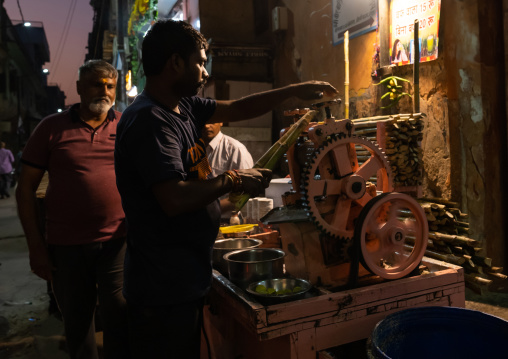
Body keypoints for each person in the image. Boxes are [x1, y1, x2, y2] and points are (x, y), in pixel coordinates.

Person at [114, 19, 338, 358]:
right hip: (161, 287)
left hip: (184, 275)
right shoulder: (150, 121)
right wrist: (231, 179)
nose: (205, 72)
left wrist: (296, 89)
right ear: (175, 63)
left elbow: (237, 108)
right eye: (200, 61)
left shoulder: (183, 106)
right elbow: (173, 198)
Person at [16, 60, 130, 359]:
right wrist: (36, 247)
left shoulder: (127, 125)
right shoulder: (51, 128)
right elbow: (25, 189)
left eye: (110, 86)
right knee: (78, 324)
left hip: (118, 243)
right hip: (66, 246)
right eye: (96, 84)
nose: (104, 91)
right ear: (79, 87)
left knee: (120, 319)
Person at [202, 121, 254, 217]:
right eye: (204, 121)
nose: (206, 125)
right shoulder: (192, 148)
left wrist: (211, 210)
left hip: (227, 220)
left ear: (221, 122)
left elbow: (246, 192)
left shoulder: (235, 149)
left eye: (212, 121)